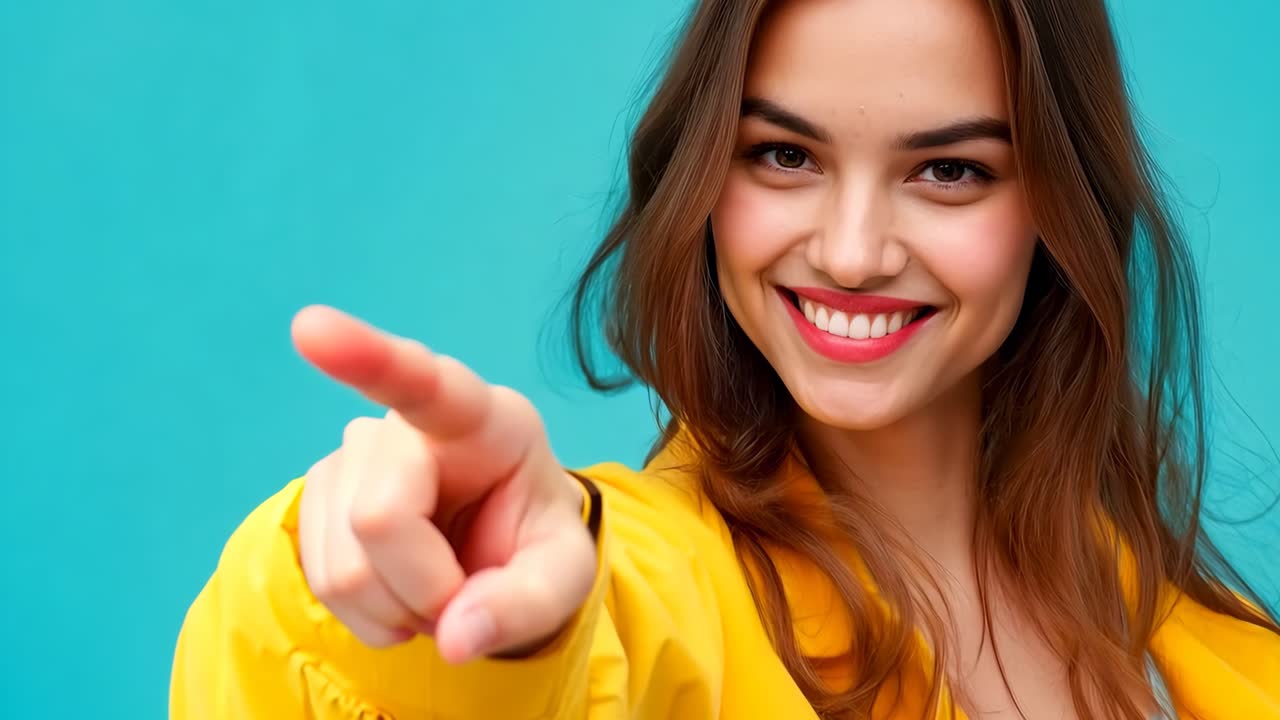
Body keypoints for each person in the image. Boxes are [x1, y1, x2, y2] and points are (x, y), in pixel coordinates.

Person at [170, 0, 1280, 718]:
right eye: (783, 155)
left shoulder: (1215, 653)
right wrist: (444, 611)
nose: (850, 252)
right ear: (705, 175)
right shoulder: (658, 589)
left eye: (947, 172)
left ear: (1055, 206)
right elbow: (557, 658)